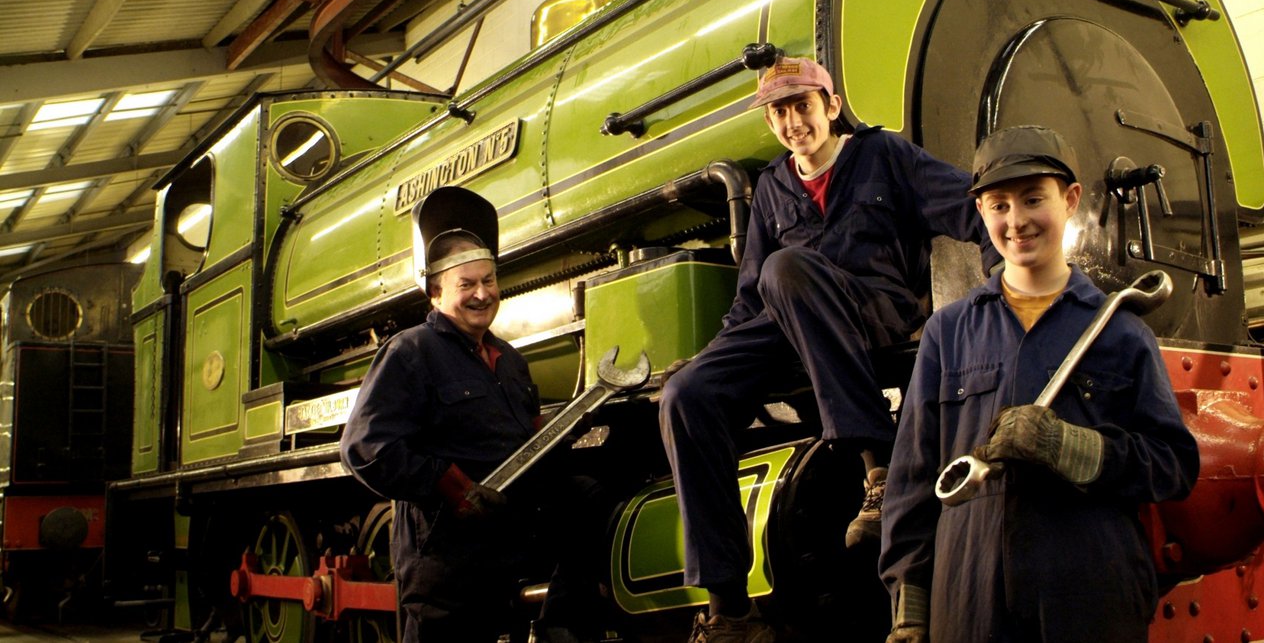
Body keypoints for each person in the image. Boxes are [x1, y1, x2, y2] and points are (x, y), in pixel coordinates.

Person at [658, 57, 993, 641]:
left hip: (873, 310)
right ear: (770, 121)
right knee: (687, 395)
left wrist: (1002, 292)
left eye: (802, 107)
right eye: (779, 113)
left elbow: (975, 209)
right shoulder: (770, 187)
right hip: (789, 319)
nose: (793, 123)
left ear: (830, 106)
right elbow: (749, 294)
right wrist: (711, 357)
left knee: (789, 270)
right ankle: (729, 609)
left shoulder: (885, 156)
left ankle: (879, 472)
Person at [877, 125, 1200, 642]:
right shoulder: (949, 332)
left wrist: (1071, 447)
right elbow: (913, 483)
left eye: (1033, 199)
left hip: (1091, 591)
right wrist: (911, 610)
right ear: (980, 212)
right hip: (968, 597)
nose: (1017, 220)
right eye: (999, 205)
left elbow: (1173, 465)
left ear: (1070, 200)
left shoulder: (1122, 330)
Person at [340, 186, 599, 643]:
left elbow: (523, 439)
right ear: (436, 292)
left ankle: (561, 618)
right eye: (467, 285)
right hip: (447, 564)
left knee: (588, 492)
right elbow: (364, 448)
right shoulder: (410, 352)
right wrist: (448, 484)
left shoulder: (509, 359)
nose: (483, 294)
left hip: (508, 552)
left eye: (489, 281)